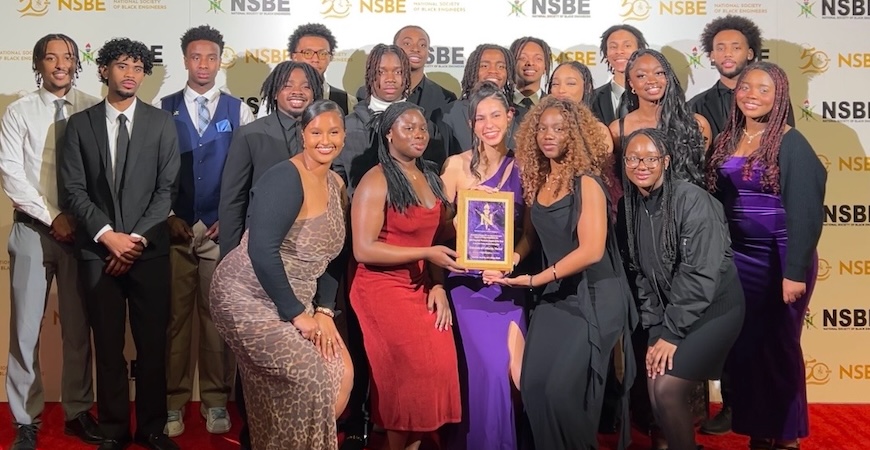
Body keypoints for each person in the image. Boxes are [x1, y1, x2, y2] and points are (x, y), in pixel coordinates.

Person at [209, 99, 354, 450]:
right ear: (302, 134)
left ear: (344, 137)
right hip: (247, 295)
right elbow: (262, 251)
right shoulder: (285, 177)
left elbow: (332, 257)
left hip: (298, 301)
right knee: (312, 375)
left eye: (333, 132)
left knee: (342, 373)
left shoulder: (336, 183)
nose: (325, 140)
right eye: (316, 131)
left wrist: (324, 311)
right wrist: (297, 315)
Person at [58, 37, 180, 450]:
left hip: (150, 252)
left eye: (138, 68)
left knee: (152, 346)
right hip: (97, 252)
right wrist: (108, 237)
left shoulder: (162, 123)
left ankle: (152, 428)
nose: (130, 74)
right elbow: (73, 191)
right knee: (107, 347)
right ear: (105, 70)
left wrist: (136, 240)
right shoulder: (79, 124)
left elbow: (167, 191)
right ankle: (112, 430)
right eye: (122, 66)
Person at [498, 97, 635, 450]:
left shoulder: (587, 181)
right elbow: (531, 235)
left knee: (560, 394)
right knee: (532, 385)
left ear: (574, 133)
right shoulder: (540, 177)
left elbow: (591, 251)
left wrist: (533, 280)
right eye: (542, 128)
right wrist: (513, 257)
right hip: (555, 296)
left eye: (558, 128)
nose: (548, 134)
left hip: (594, 297)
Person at [706, 62, 826, 450]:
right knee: (748, 350)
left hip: (781, 259)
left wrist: (792, 272)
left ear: (779, 97)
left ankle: (787, 436)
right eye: (746, 87)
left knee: (778, 348)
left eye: (763, 89)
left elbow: (806, 213)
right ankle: (759, 433)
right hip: (740, 262)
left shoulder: (792, 143)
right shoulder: (728, 139)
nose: (752, 94)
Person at [0, 33, 102, 450]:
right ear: (38, 64)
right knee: (25, 331)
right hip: (32, 230)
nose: (60, 64)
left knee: (79, 328)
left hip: (80, 234)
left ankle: (78, 410)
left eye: (68, 57)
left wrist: (80, 220)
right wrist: (51, 216)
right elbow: (11, 173)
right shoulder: (18, 111)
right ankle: (26, 418)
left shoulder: (94, 109)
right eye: (51, 57)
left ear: (77, 63)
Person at [217, 60, 323, 450]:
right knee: (258, 355)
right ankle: (254, 430)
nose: (297, 90)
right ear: (273, 90)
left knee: (299, 355)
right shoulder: (251, 134)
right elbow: (232, 202)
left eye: (306, 85)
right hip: (256, 264)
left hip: (306, 266)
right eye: (288, 84)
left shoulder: (322, 135)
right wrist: (231, 262)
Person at [158, 24, 255, 439]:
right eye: (195, 57)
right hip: (175, 231)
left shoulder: (241, 111)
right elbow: (151, 173)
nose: (203, 64)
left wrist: (230, 220)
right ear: (184, 60)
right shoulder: (162, 108)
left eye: (211, 57)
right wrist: (166, 215)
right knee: (175, 322)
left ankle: (216, 401)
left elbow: (249, 175)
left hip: (220, 233)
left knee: (217, 321)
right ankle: (172, 402)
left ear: (221, 60)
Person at [622, 127, 744, 450]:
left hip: (715, 308)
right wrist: (655, 333)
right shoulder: (633, 206)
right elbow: (641, 275)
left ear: (666, 160)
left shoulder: (692, 200)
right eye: (632, 158)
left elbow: (700, 275)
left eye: (650, 158)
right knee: (653, 384)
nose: (641, 165)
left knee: (666, 388)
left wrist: (671, 334)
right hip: (673, 313)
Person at [350, 102, 462, 450]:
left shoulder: (429, 175)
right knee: (407, 378)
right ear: (388, 134)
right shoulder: (376, 179)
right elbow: (364, 249)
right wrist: (425, 254)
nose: (418, 134)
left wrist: (439, 285)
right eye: (407, 128)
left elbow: (437, 239)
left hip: (421, 285)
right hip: (379, 288)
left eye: (422, 128)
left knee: (438, 367)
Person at [439, 81, 535, 450]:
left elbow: (531, 233)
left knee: (516, 375)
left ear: (511, 116)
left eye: (496, 115)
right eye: (480, 118)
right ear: (471, 123)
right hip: (467, 286)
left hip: (507, 285)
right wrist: (467, 213)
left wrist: (514, 258)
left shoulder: (524, 166)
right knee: (491, 371)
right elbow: (438, 228)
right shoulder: (456, 166)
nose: (489, 124)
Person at [334, 43, 451, 195]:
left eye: (398, 72)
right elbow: (338, 179)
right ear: (370, 75)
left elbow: (435, 176)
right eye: (381, 72)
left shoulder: (425, 127)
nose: (390, 79)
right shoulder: (348, 127)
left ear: (406, 76)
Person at [609, 48, 711, 187]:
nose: (652, 80)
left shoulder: (697, 124)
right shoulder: (618, 129)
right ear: (631, 83)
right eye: (641, 76)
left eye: (659, 73)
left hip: (687, 205)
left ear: (668, 78)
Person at [690, 15, 795, 147]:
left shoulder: (772, 99)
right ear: (711, 55)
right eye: (720, 48)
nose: (727, 54)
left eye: (736, 48)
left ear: (750, 53)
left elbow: (787, 143)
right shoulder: (695, 106)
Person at [356, 25, 457, 121]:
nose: (416, 49)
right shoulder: (365, 92)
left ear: (428, 53)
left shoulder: (444, 98)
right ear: (394, 48)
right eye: (407, 44)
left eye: (423, 45)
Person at [442, 44, 526, 155]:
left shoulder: (523, 116)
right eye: (484, 66)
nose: (493, 71)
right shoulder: (449, 114)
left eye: (501, 67)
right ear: (473, 70)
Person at [288, 23, 357, 115]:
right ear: (294, 57)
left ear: (330, 57)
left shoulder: (347, 100)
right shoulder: (279, 97)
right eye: (308, 53)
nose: (316, 59)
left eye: (322, 53)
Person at [590, 25, 648, 126]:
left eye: (627, 46)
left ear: (640, 50)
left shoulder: (652, 94)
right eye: (613, 47)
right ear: (606, 53)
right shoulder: (592, 99)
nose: (619, 51)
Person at [509, 36, 552, 108]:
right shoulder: (499, 103)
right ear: (511, 64)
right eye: (523, 58)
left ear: (545, 67)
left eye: (538, 58)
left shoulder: (553, 105)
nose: (530, 63)